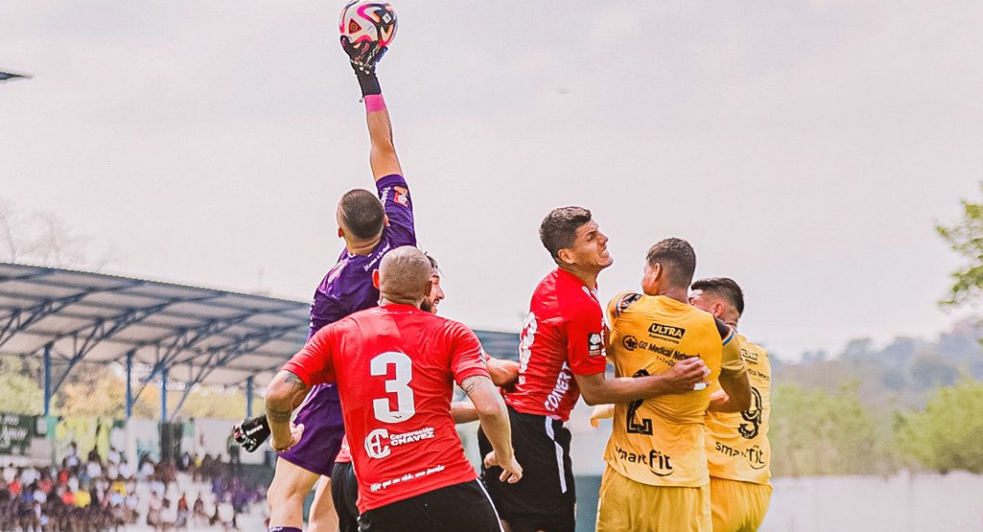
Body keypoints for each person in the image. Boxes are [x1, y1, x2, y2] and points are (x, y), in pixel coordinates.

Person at [233, 11, 415, 532]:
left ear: (340, 233)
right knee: (329, 509)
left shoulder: (333, 289)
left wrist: (274, 425)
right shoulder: (402, 233)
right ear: (386, 212)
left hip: (343, 392)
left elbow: (315, 367)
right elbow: (384, 146)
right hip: (395, 392)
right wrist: (368, 75)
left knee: (284, 494)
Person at [480, 208, 712, 532]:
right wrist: (669, 381)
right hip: (536, 430)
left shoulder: (557, 283)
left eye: (598, 231)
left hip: (513, 419)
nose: (603, 238)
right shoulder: (581, 305)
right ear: (567, 255)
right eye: (591, 237)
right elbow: (594, 391)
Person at [265, 246, 521, 532]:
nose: (441, 295)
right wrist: (504, 455)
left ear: (377, 280)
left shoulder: (338, 334)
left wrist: (281, 438)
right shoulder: (452, 333)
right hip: (446, 480)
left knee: (313, 515)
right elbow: (490, 405)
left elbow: (278, 393)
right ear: (426, 288)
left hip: (375, 490)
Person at [592, 239, 750, 532]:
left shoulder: (624, 306)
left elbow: (613, 353)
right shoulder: (720, 334)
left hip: (623, 475)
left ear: (655, 271)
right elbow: (741, 401)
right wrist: (695, 397)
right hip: (681, 481)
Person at [688, 277, 773, 532]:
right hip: (756, 487)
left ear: (716, 310)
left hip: (719, 482)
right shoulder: (759, 355)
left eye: (692, 302)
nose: (685, 307)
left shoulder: (708, 347)